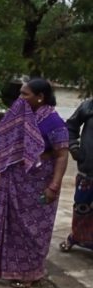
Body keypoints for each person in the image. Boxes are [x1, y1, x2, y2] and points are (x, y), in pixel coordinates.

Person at [0, 79, 68, 288]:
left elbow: (61, 155)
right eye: (21, 94)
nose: (20, 98)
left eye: (25, 94)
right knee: (13, 226)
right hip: (15, 182)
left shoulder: (54, 122)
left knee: (33, 229)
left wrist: (54, 186)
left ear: (40, 97)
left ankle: (30, 273)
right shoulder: (20, 116)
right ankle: (10, 269)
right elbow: (2, 138)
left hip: (39, 185)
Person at [60, 99, 93, 252]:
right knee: (81, 207)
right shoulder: (89, 106)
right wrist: (73, 147)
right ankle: (76, 237)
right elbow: (70, 127)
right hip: (88, 170)